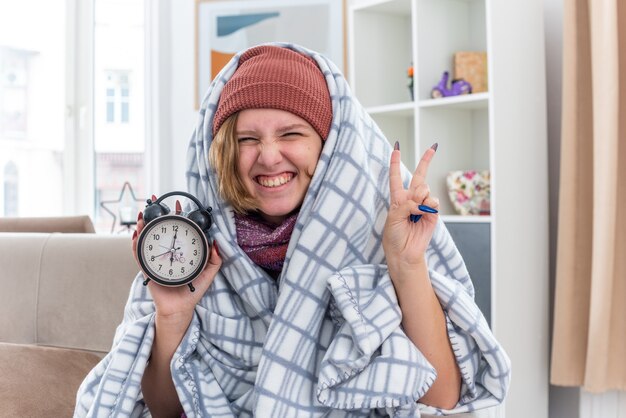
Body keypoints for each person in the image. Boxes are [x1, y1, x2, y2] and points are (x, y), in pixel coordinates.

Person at [75, 43, 510, 418]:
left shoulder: (377, 238)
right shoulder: (188, 250)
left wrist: (407, 264)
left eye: (291, 133)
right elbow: (163, 410)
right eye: (247, 139)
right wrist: (173, 317)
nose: (268, 157)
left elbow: (444, 401)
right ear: (225, 151)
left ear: (329, 145)